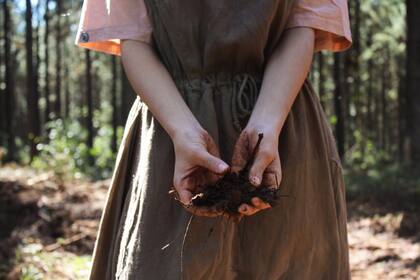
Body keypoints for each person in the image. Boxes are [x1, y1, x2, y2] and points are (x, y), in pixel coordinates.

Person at [76, 0, 352, 279]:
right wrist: (182, 131)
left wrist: (268, 124)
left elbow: (302, 26)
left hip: (280, 133)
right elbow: (133, 39)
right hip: (169, 133)